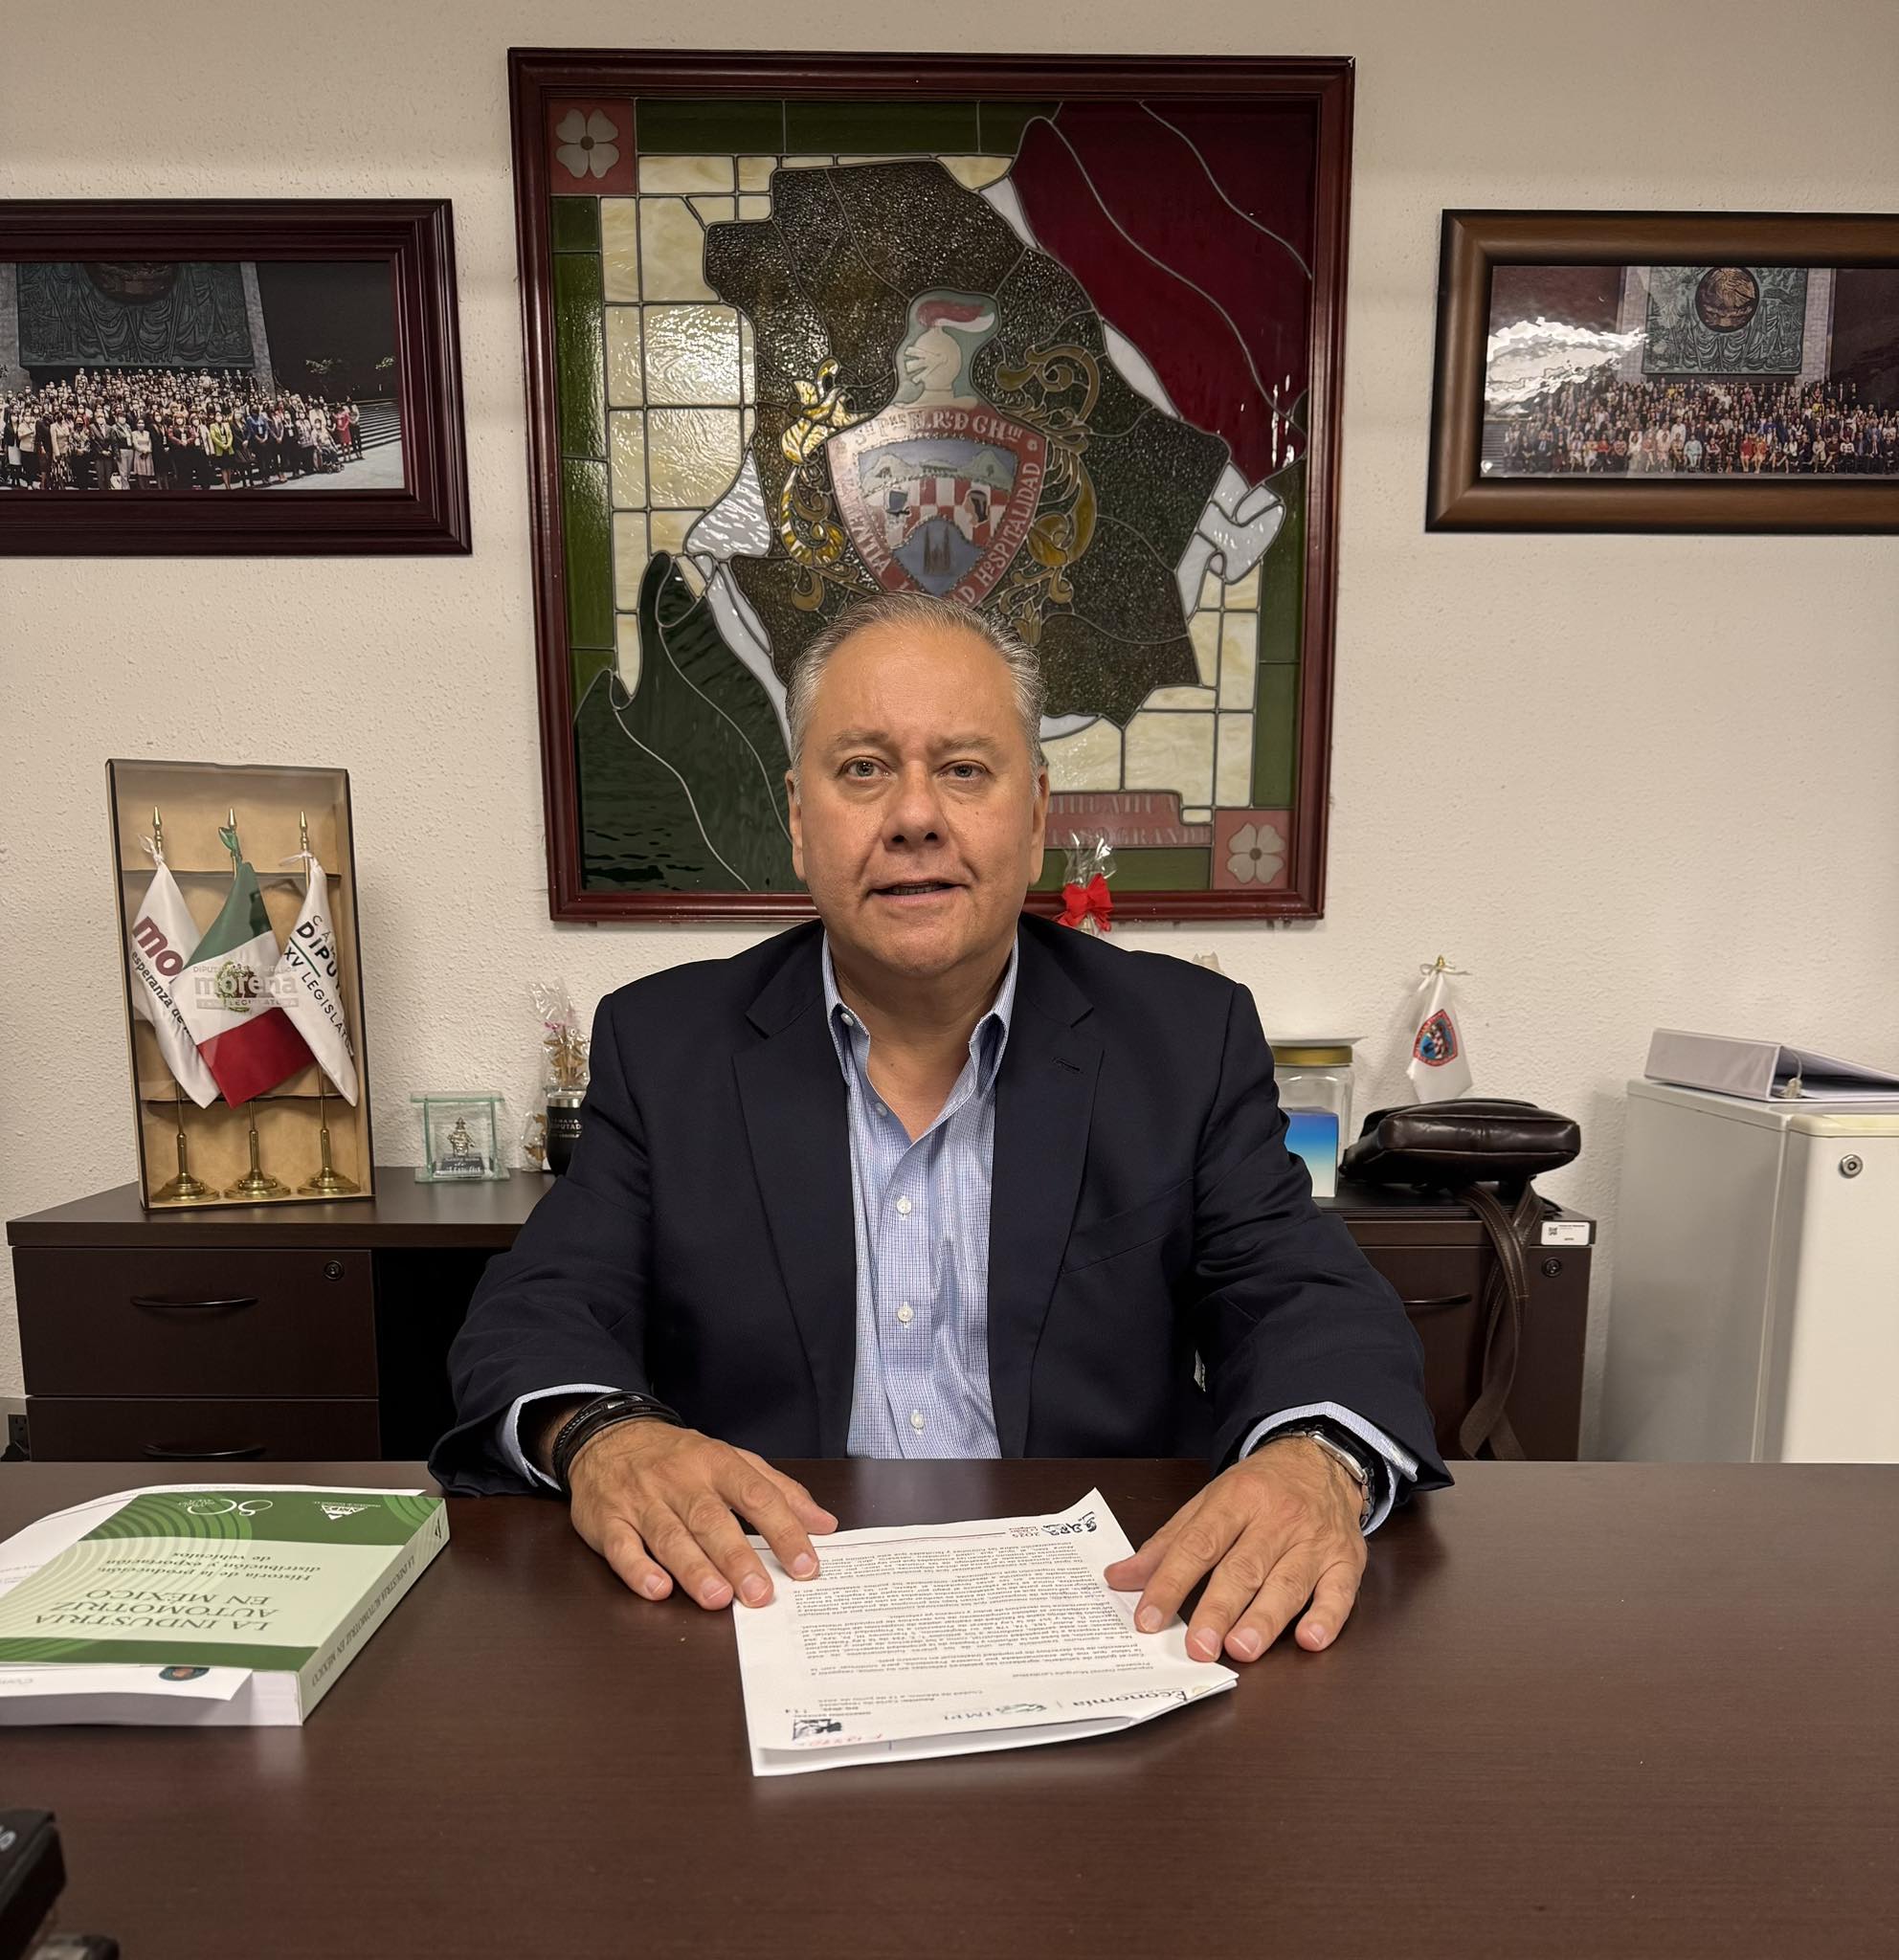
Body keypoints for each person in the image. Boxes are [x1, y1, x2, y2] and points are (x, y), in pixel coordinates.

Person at [432, 592, 1449, 1668]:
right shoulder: (667, 1045)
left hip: (1112, 1612)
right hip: (762, 1604)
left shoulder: (1183, 1041)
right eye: (863, 768)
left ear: (1037, 812)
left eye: (964, 769)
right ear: (797, 817)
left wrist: (1314, 1459)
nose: (915, 815)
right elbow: (540, 1305)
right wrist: (606, 1436)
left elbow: (1302, 1296)